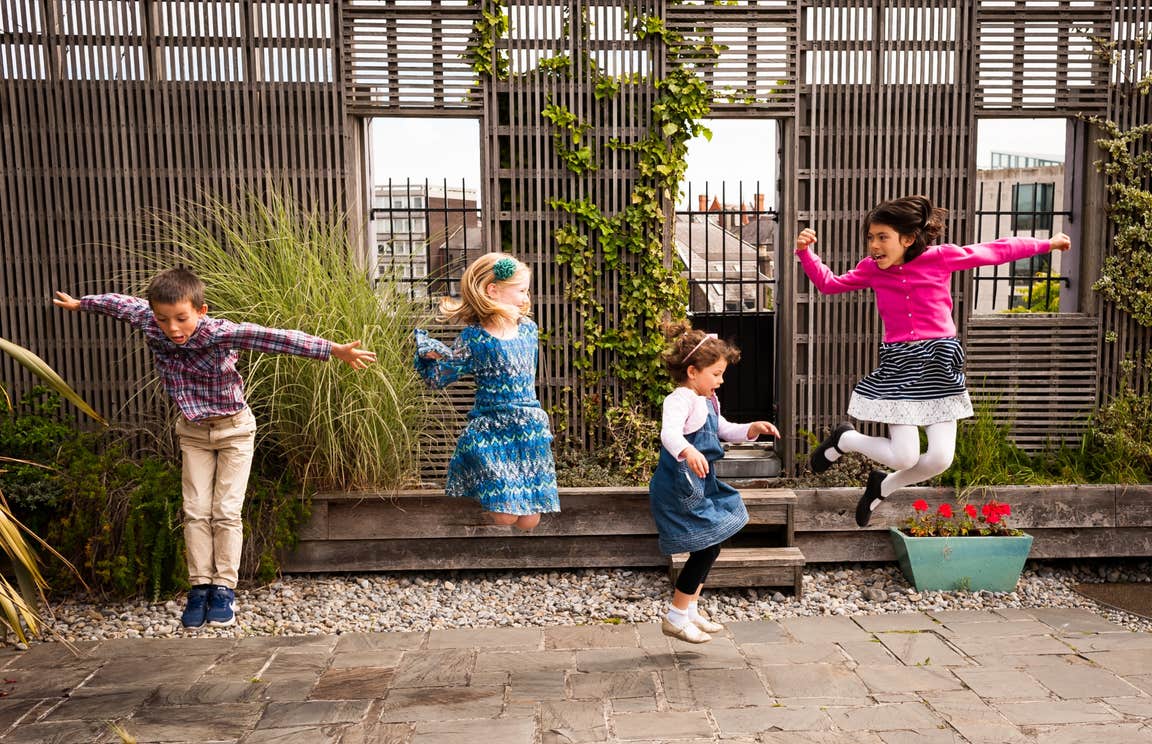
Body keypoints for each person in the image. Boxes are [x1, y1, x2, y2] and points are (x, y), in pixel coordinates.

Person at [53, 268, 376, 629]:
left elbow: (274, 338)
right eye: (163, 319)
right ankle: (199, 587)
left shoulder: (219, 332)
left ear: (201, 311)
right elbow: (120, 305)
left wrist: (333, 350)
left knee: (224, 510)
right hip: (192, 432)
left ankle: (224, 589)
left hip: (234, 430)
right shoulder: (148, 318)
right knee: (194, 510)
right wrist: (83, 304)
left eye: (181, 319)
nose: (172, 328)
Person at [795, 195, 1071, 527]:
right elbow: (829, 284)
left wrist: (1047, 244)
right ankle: (845, 439)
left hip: (940, 362)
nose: (874, 246)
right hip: (901, 364)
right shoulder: (872, 269)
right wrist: (805, 254)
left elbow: (995, 251)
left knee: (939, 459)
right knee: (905, 454)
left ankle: (883, 485)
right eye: (870, 237)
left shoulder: (939, 258)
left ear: (907, 239)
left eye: (882, 237)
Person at [649, 322, 780, 643]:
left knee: (714, 541)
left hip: (700, 483)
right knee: (707, 546)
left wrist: (752, 427)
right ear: (693, 371)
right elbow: (669, 433)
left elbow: (724, 429)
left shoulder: (705, 400)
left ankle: (690, 609)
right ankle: (676, 616)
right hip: (680, 486)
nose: (720, 381)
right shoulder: (680, 399)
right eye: (716, 374)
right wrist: (688, 449)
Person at [414, 252, 559, 530]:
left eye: (527, 290)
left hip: (528, 430)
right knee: (505, 516)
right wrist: (431, 355)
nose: (526, 297)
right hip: (491, 428)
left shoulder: (529, 330)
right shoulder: (473, 338)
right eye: (520, 291)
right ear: (493, 291)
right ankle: (468, 514)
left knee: (529, 521)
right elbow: (438, 379)